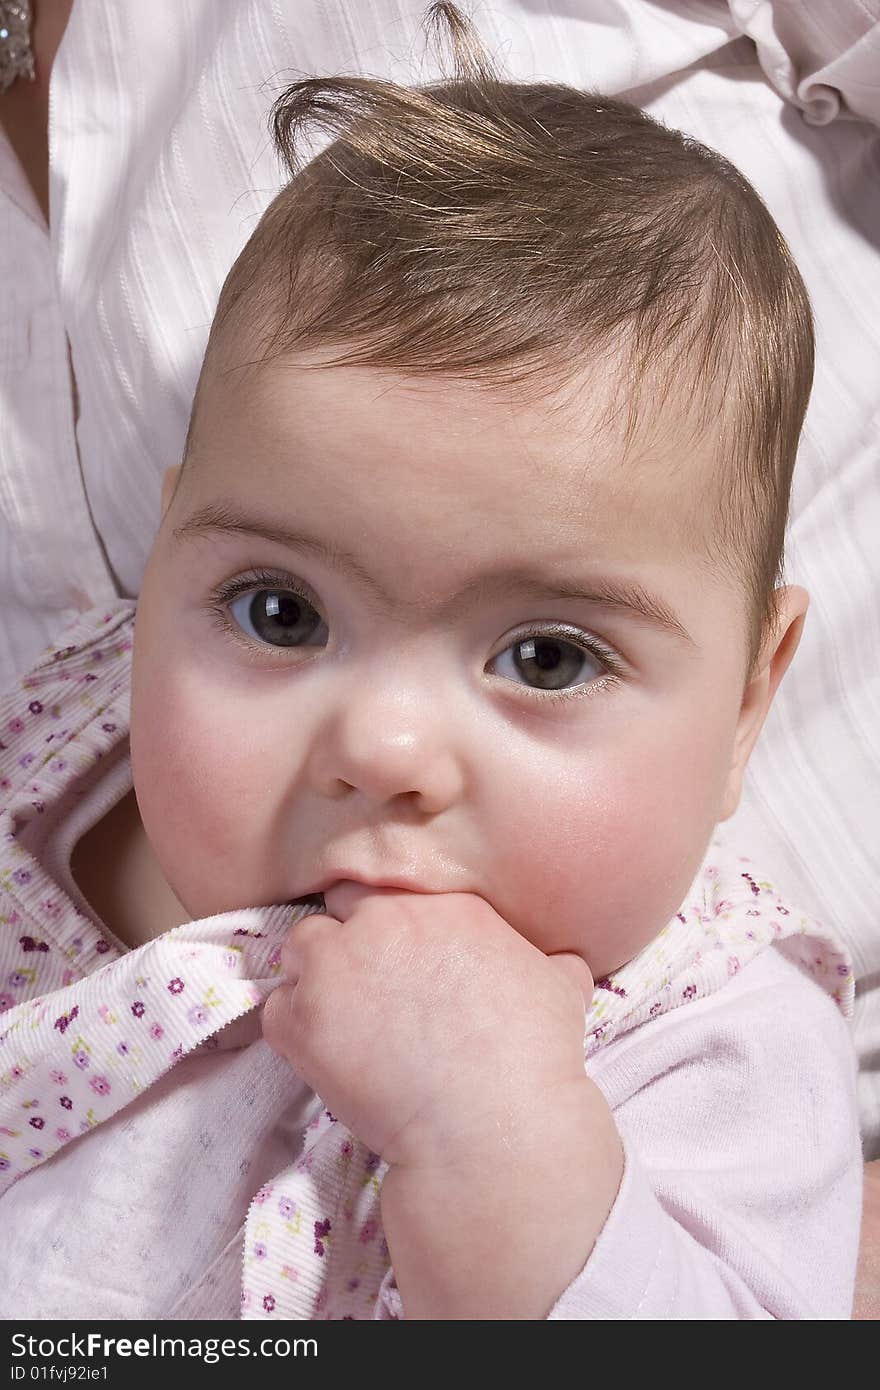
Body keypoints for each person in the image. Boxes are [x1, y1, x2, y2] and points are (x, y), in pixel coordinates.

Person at [0, 2, 864, 1319]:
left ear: (749, 697)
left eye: (548, 654)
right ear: (173, 554)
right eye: (280, 612)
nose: (384, 749)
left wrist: (495, 1138)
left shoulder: (708, 1036)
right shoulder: (60, 764)